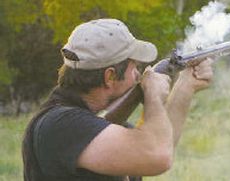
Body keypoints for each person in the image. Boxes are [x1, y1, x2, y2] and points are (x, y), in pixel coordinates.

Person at [22, 18, 213, 181]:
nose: (139, 75)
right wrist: (154, 96)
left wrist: (186, 86)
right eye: (134, 67)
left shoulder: (95, 124)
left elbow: (161, 146)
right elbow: (158, 156)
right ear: (110, 76)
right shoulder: (60, 124)